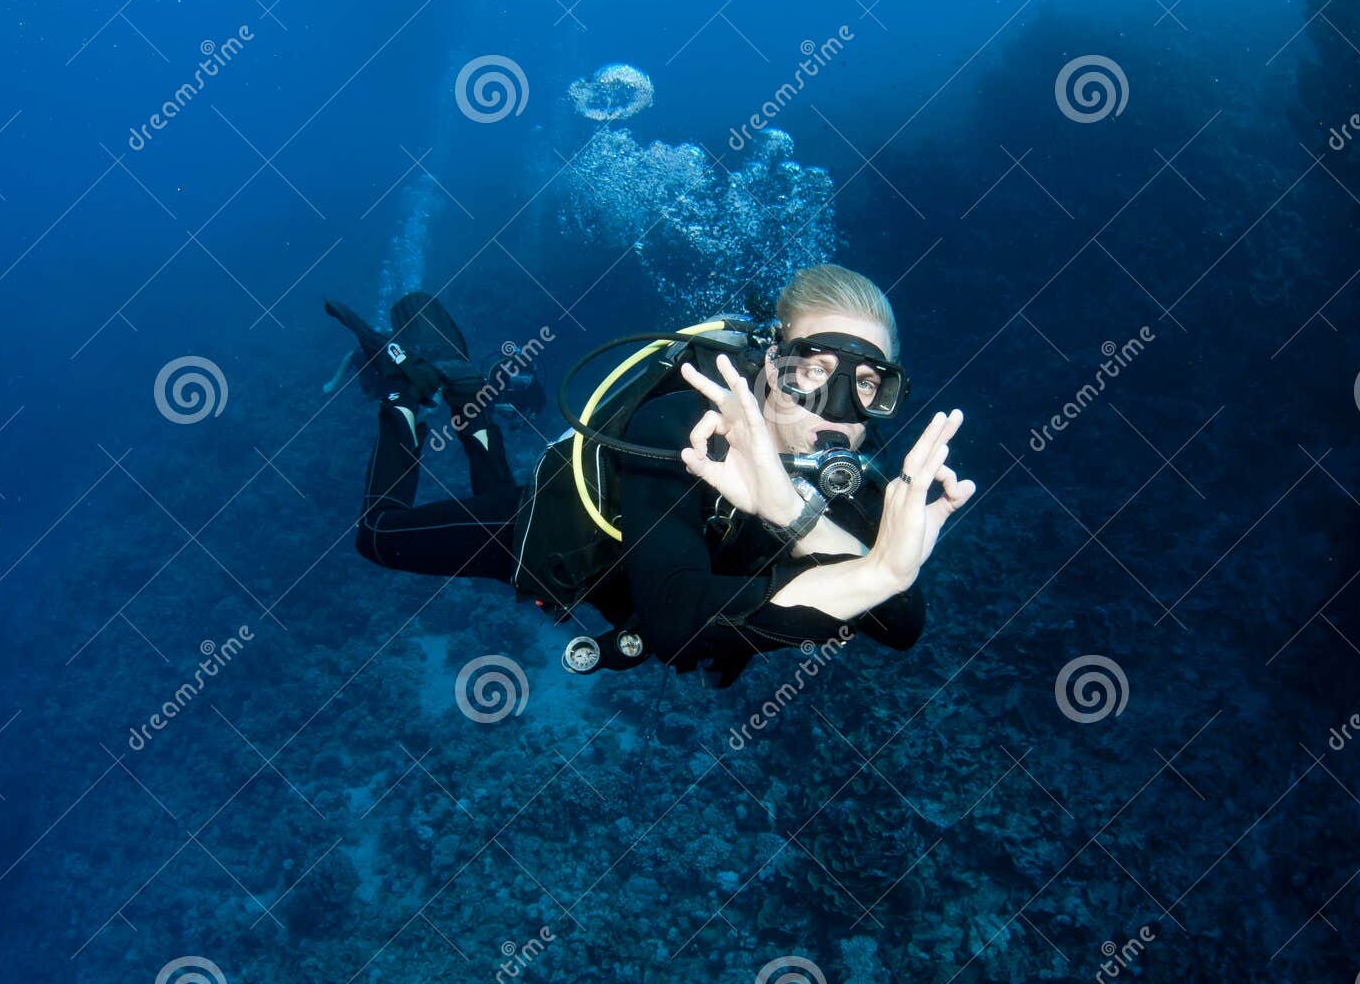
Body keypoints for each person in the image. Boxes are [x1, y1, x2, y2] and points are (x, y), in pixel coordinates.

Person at [326, 264, 976, 686]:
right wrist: (858, 559)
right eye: (813, 369)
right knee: (379, 535)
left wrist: (798, 515)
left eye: (867, 384)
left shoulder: (849, 477)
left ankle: (476, 416)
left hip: (627, 597)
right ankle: (406, 401)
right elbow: (674, 624)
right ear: (774, 361)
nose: (838, 412)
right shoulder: (681, 426)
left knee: (484, 483)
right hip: (554, 540)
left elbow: (901, 620)